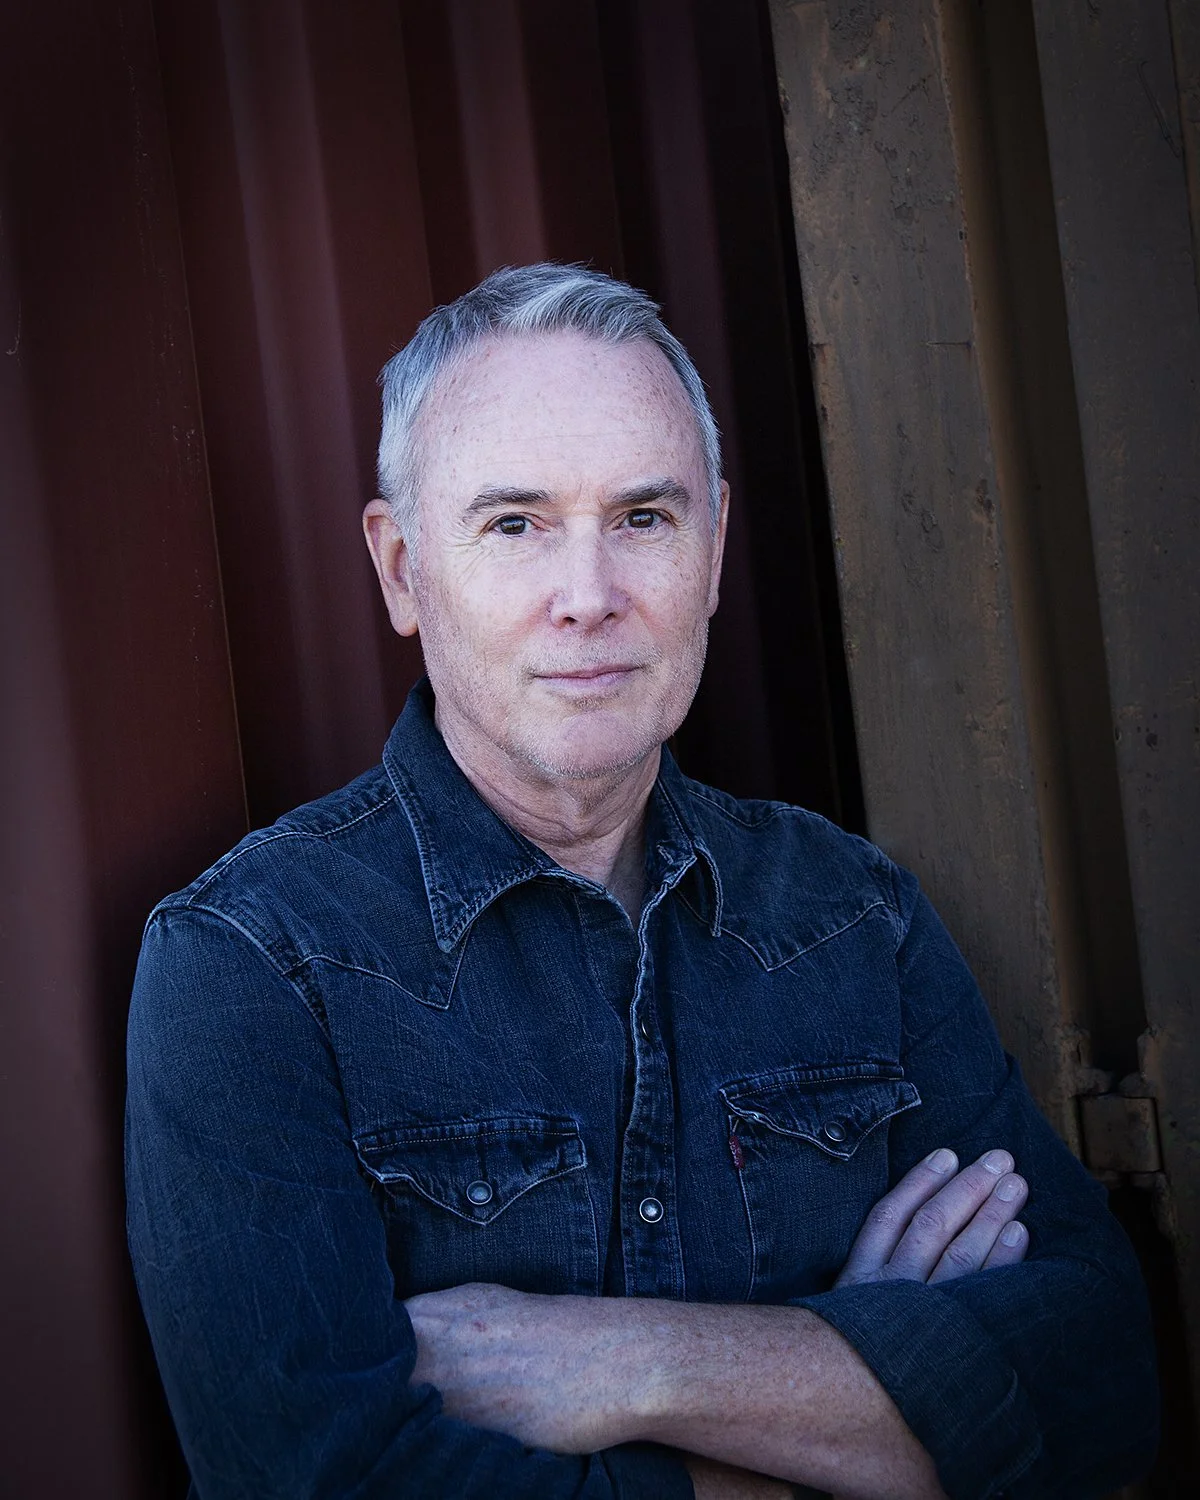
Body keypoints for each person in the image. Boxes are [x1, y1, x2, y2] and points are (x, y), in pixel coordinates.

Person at [126, 264, 1157, 1500]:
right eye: (515, 525)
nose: (589, 598)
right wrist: (855, 1408)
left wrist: (633, 1364)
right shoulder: (252, 963)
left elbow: (1104, 1383)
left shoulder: (851, 917)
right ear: (402, 570)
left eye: (644, 519)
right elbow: (320, 1482)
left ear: (713, 549)